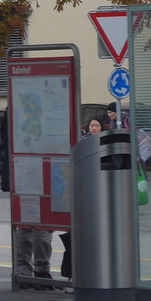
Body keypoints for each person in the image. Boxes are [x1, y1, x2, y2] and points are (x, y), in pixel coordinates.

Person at [59, 117, 108, 279]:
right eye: (91, 125)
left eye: (96, 126)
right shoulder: (82, 143)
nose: (93, 128)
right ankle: (73, 273)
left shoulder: (106, 142)